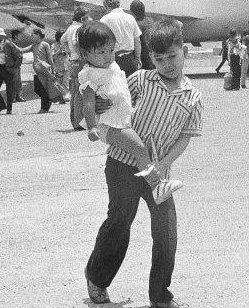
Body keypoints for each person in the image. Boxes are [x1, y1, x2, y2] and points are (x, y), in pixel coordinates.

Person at [83, 18, 203, 308]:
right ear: (150, 58)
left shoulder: (193, 97)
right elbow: (112, 101)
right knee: (119, 223)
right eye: (159, 58)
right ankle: (97, 277)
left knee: (166, 230)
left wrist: (164, 163)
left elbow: (185, 138)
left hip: (158, 174)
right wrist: (97, 106)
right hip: (122, 165)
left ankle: (160, 296)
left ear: (183, 51)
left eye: (172, 56)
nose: (167, 64)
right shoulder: (139, 79)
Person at [77, 20, 182, 204]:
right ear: (85, 54)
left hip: (120, 121)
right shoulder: (90, 75)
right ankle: (157, 186)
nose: (108, 56)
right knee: (140, 149)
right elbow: (87, 103)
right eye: (101, 52)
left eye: (111, 50)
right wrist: (91, 127)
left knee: (139, 149)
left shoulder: (112, 67)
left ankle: (154, 184)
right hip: (109, 125)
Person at [99, 0, 141, 78]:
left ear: (107, 7)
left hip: (114, 60)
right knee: (133, 87)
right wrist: (137, 59)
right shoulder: (130, 18)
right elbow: (137, 41)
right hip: (130, 58)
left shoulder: (104, 20)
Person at [61, 8, 88, 129]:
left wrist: (69, 52)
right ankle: (78, 121)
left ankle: (74, 120)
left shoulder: (70, 27)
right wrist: (82, 56)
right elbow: (76, 42)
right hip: (79, 60)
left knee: (75, 90)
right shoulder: (78, 28)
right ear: (82, 18)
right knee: (80, 91)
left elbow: (63, 40)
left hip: (73, 60)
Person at [30, 28, 54, 113]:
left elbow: (50, 57)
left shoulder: (45, 44)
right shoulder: (33, 45)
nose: (31, 36)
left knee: (44, 89)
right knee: (37, 89)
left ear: (38, 35)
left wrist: (53, 70)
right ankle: (48, 99)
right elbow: (23, 50)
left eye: (33, 34)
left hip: (45, 69)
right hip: (37, 70)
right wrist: (14, 45)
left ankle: (44, 108)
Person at [129, 0, 155, 70]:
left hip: (144, 57)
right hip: (153, 54)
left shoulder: (136, 24)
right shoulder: (150, 20)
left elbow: (137, 43)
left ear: (132, 12)